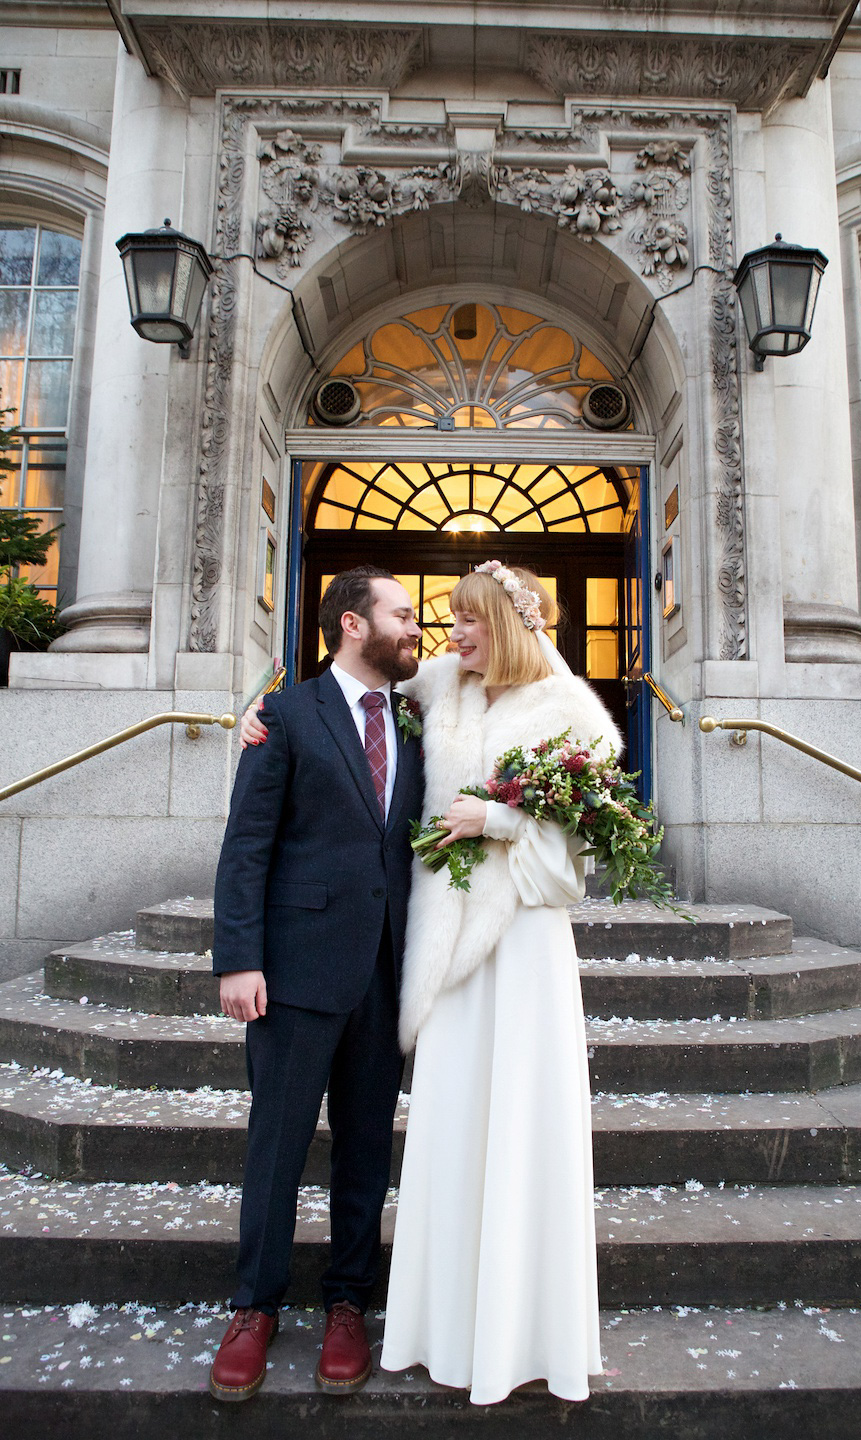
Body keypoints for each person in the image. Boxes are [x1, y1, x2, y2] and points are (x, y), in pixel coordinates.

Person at [242, 562, 618, 1405]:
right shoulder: (437, 689)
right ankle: (425, 1320)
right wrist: (256, 713)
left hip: (519, 952)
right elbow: (342, 702)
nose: (449, 632)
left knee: (508, 1133)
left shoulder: (570, 716)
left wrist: (503, 819)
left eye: (468, 619)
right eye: (438, 616)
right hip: (438, 957)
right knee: (443, 1135)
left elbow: (580, 857)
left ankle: (509, 1325)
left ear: (510, 624)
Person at [208, 566, 424, 1403]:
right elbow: (246, 844)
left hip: (386, 969)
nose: (417, 628)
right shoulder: (287, 714)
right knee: (278, 1144)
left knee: (367, 1146)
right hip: (294, 969)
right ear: (351, 625)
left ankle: (346, 1304)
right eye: (402, 614)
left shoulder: (416, 717)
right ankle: (253, 1308)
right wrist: (238, 956)